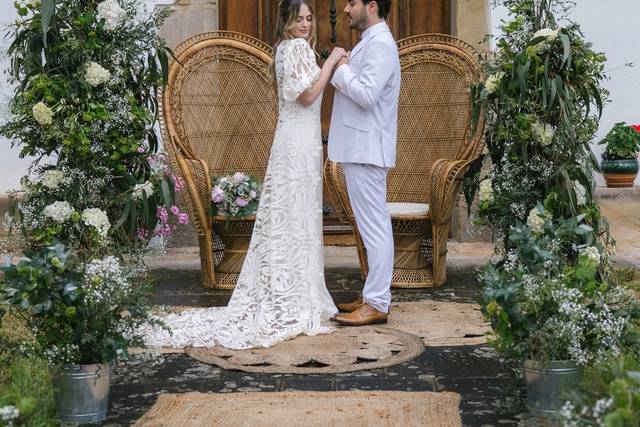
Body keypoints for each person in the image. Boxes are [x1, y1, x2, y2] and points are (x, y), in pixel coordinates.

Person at [142, 0, 347, 349]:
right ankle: (295, 297)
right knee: (295, 217)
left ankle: (291, 291)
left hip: (297, 141)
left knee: (291, 216)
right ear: (285, 21)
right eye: (299, 18)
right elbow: (309, 95)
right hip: (298, 144)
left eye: (309, 18)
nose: (306, 24)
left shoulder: (286, 49)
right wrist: (332, 60)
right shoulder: (296, 48)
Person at [328, 0, 401, 326]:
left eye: (352, 2)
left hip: (368, 148)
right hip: (361, 146)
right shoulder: (371, 41)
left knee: (375, 227)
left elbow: (367, 94)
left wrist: (340, 67)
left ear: (371, 5)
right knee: (372, 225)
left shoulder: (381, 44)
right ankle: (372, 294)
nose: (345, 9)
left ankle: (377, 302)